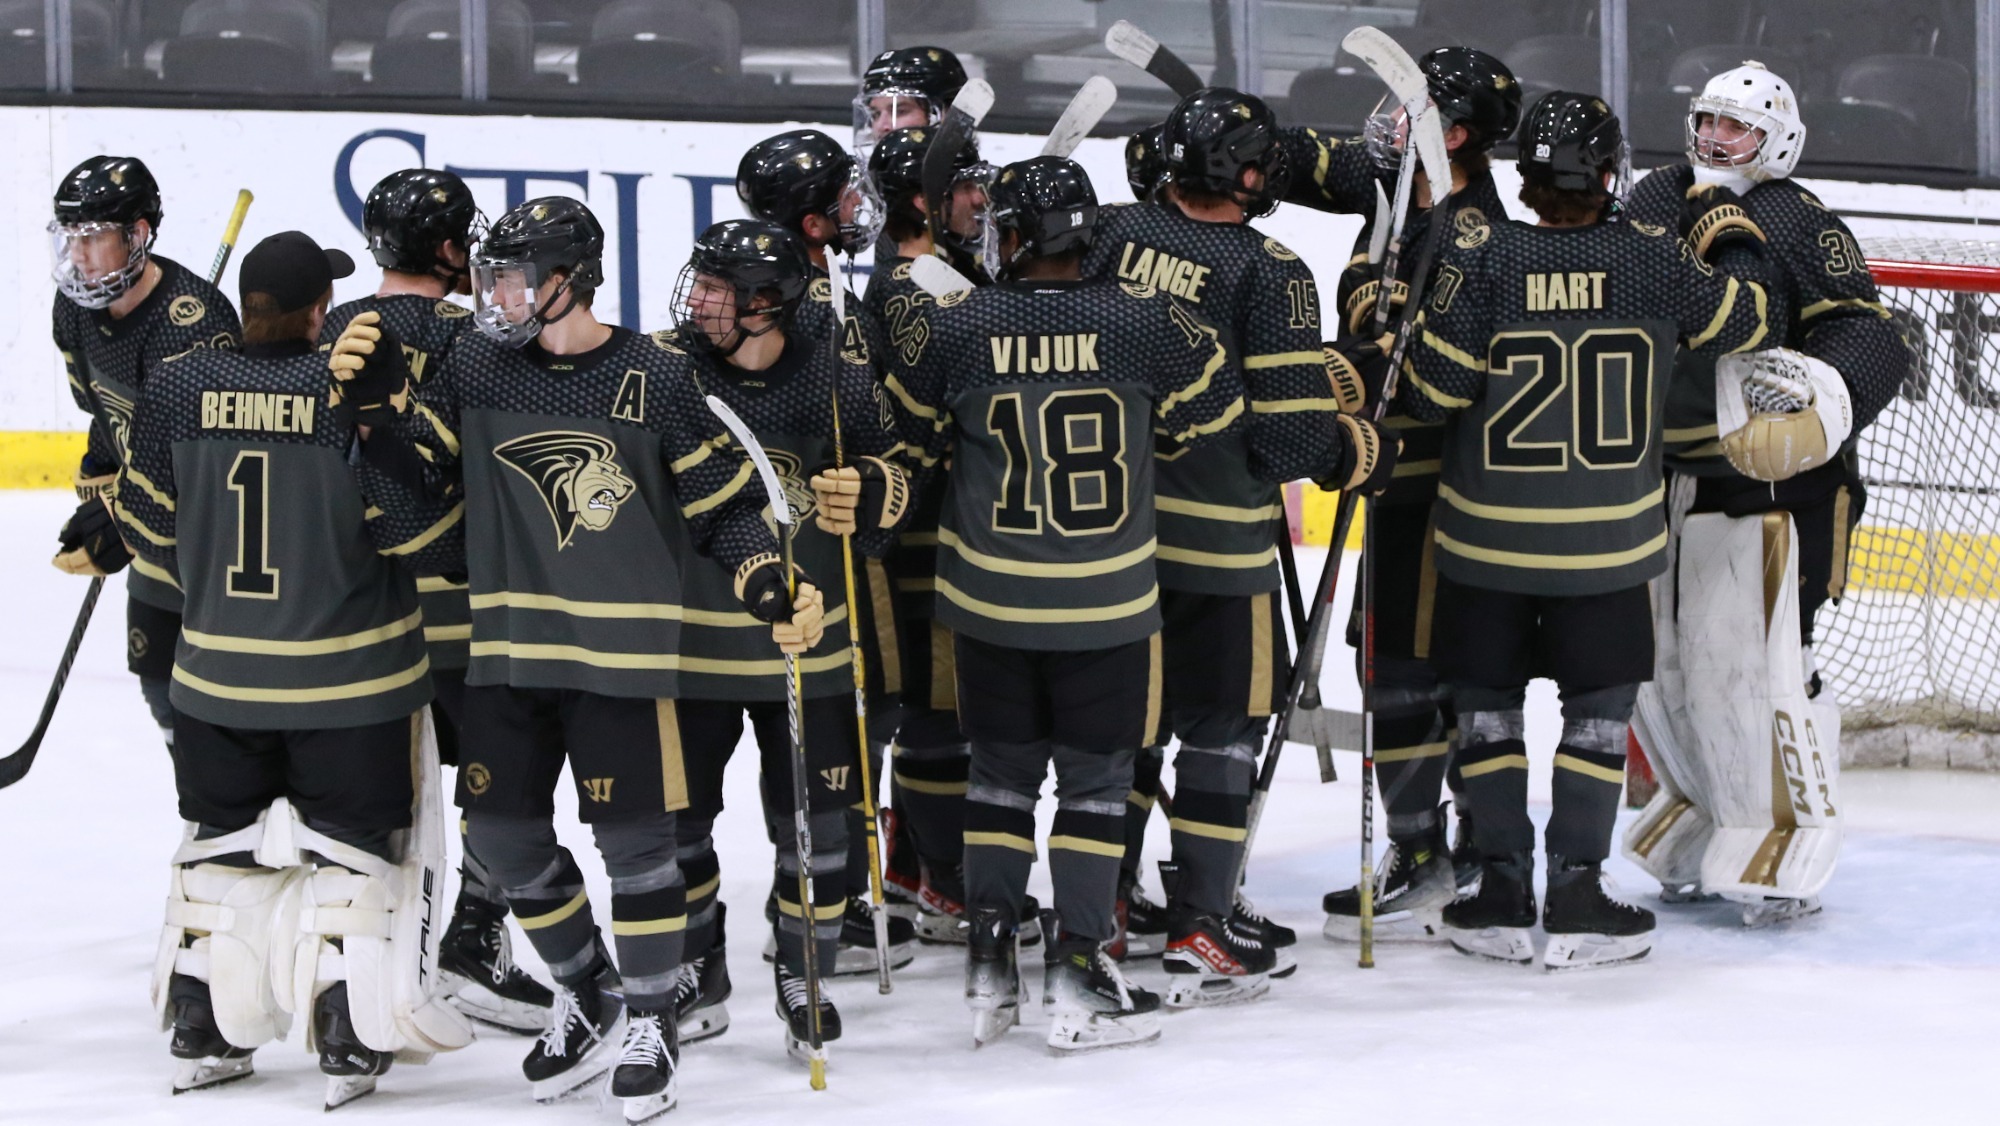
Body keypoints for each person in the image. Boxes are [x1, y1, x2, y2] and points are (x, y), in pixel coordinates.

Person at [335, 196, 819, 1118]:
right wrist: (375, 417)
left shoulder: (654, 376)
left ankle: (650, 1021)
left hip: (624, 658)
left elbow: (723, 503)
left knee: (637, 851)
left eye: (517, 278)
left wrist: (766, 581)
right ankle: (587, 983)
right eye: (493, 275)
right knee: (504, 837)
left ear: (570, 280)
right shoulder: (476, 363)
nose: (498, 294)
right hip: (508, 651)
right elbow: (421, 480)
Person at [1398, 92, 1775, 971]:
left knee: (1486, 718)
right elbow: (1752, 319)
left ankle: (1495, 891)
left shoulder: (1484, 257)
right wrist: (1727, 229)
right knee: (1597, 723)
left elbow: (1432, 393)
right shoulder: (1651, 260)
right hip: (1607, 548)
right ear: (1610, 175)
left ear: (1526, 177)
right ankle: (1576, 892)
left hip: (1485, 543)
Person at [886, 155, 1250, 1050]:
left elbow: (913, 438)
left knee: (999, 778)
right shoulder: (1145, 323)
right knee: (1094, 786)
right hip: (1106, 604)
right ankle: (1081, 972)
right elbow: (1208, 416)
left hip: (989, 603)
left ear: (1015, 235)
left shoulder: (961, 325)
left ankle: (988, 958)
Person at [114, 231, 471, 1108]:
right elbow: (424, 532)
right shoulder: (338, 393)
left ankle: (201, 1020)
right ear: (320, 312)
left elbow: (149, 531)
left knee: (219, 856)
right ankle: (347, 1035)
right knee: (356, 863)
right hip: (350, 687)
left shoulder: (176, 383)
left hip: (216, 681)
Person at [1082, 87, 1394, 995]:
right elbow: (1291, 443)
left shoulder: (1102, 235)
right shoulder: (1272, 269)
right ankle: (1201, 925)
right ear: (1251, 177)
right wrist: (1359, 449)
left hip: (1108, 543)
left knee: (1126, 733)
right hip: (1219, 546)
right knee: (1220, 734)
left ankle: (1099, 909)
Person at [1621, 62, 1908, 925]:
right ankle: (1704, 808)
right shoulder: (1651, 199)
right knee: (1661, 671)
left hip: (1774, 489)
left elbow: (1869, 335)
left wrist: (1825, 402)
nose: (1716, 141)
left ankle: (1784, 833)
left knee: (1759, 667)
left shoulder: (1798, 222)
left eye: (1737, 129)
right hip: (1661, 482)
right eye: (1708, 121)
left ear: (1777, 141)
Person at [1286, 47, 1527, 941]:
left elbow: (1434, 371)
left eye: (1408, 108)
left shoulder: (1475, 234)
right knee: (1386, 665)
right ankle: (1429, 847)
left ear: (1452, 132)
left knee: (1422, 674)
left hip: (1444, 493)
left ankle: (1440, 852)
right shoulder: (1392, 201)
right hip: (1384, 480)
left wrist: (1347, 375)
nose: (1386, 119)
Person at [658, 218, 914, 1057]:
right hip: (694, 643)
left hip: (815, 645)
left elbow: (900, 474)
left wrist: (871, 491)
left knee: (820, 825)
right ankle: (699, 959)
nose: (700, 301)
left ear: (768, 305)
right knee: (679, 824)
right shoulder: (666, 369)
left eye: (721, 289)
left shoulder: (837, 374)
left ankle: (805, 963)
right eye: (701, 282)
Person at [319, 167, 554, 1035]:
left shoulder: (325, 332)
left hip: (354, 623)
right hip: (469, 619)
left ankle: (358, 963)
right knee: (506, 794)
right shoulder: (482, 340)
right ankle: (472, 942)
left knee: (368, 806)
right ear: (455, 250)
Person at [735, 130, 921, 973]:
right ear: (811, 223)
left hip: (794, 553)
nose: (859, 207)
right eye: (844, 197)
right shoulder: (803, 308)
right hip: (816, 556)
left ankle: (835, 896)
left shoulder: (789, 289)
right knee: (849, 724)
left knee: (847, 729)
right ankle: (835, 905)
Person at [857, 124, 1038, 947]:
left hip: (946, 515)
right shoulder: (908, 288)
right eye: (968, 187)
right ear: (920, 201)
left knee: (945, 703)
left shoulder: (944, 272)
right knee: (937, 709)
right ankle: (946, 877)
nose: (982, 199)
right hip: (926, 522)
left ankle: (913, 859)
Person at [47, 155, 240, 751]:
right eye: (70, 239)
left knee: (224, 696)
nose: (79, 257)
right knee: (157, 682)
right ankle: (198, 796)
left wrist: (120, 522)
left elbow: (204, 468)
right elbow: (105, 415)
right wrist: (99, 472)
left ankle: (231, 810)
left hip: (210, 548)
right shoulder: (74, 311)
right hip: (146, 538)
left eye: (95, 239)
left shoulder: (195, 325)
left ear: (138, 235)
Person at [853, 45, 969, 156]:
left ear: (948, 115)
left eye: (900, 112)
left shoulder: (974, 175)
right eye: (876, 114)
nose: (882, 127)